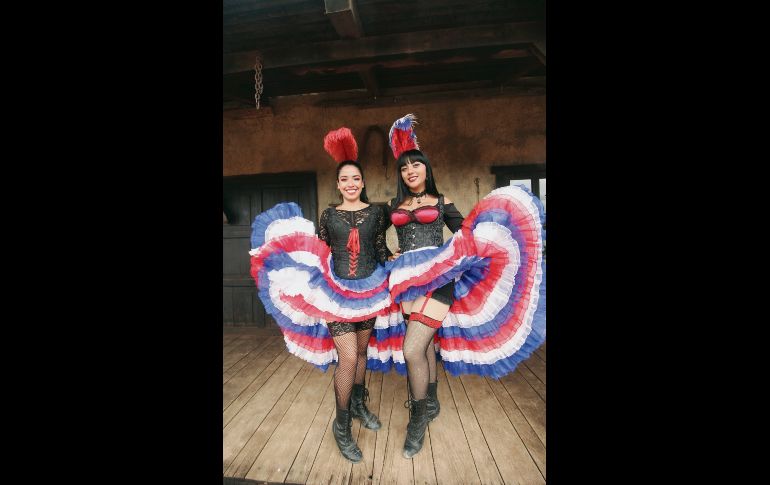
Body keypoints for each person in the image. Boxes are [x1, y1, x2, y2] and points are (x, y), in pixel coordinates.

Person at [385, 114, 547, 459]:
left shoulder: (442, 202)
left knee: (412, 350)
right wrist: (388, 253)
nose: (410, 171)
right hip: (405, 282)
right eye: (404, 167)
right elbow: (373, 237)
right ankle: (431, 401)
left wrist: (451, 255)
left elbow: (467, 234)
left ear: (426, 170)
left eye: (416, 165)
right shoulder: (392, 206)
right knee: (424, 345)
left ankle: (417, 419)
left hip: (438, 279)